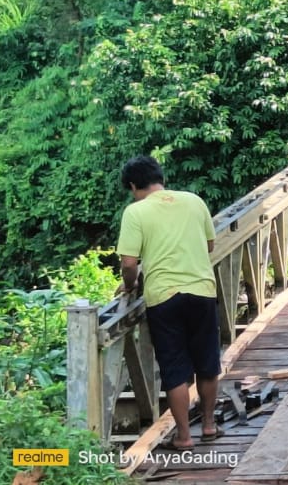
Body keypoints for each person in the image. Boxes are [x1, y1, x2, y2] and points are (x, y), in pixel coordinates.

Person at [116, 155, 221, 451]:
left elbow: (128, 263)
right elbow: (210, 244)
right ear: (160, 178)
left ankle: (184, 436)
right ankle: (210, 425)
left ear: (134, 186)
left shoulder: (136, 212)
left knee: (175, 367)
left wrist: (130, 285)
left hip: (163, 297)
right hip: (201, 289)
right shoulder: (194, 201)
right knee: (207, 362)